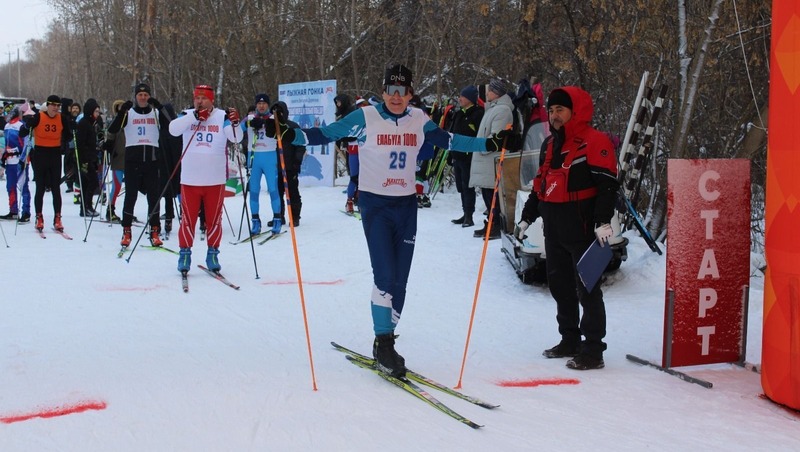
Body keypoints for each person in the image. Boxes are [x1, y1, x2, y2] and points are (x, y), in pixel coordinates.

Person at [264, 64, 509, 378]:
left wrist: (489, 144)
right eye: (391, 91)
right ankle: (384, 342)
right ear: (383, 92)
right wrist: (289, 132)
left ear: (409, 94)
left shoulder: (419, 119)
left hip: (405, 207)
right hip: (376, 205)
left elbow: (450, 141)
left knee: (400, 282)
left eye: (402, 91)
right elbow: (325, 133)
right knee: (385, 275)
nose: (396, 97)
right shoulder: (365, 117)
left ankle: (386, 340)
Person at [515, 86, 619, 371]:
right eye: (551, 110)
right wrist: (526, 218)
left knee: (588, 290)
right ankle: (569, 339)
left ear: (577, 111)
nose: (554, 115)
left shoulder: (594, 141)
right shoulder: (550, 145)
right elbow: (541, 185)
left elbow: (608, 186)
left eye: (560, 109)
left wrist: (602, 222)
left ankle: (593, 350)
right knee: (561, 288)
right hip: (555, 229)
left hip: (584, 230)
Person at [169, 84, 239, 273]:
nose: (200, 102)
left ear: (212, 100)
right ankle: (184, 254)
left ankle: (213, 253)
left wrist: (235, 123)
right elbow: (172, 130)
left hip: (214, 180)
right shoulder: (187, 114)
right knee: (188, 219)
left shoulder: (221, 116)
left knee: (214, 219)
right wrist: (194, 116)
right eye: (197, 98)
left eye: (204, 99)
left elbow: (236, 138)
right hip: (190, 179)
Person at [108, 82, 171, 247]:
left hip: (151, 161)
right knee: (130, 197)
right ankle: (127, 230)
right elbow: (113, 129)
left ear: (149, 96)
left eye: (145, 95)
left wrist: (161, 107)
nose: (143, 98)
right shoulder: (129, 113)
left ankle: (155, 230)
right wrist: (121, 112)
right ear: (135, 97)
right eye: (140, 95)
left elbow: (171, 126)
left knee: (154, 197)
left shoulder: (156, 113)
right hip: (132, 161)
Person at [21, 95, 72, 232]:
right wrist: (27, 125)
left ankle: (57, 217)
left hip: (54, 154)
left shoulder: (61, 118)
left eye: (58, 106)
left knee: (56, 187)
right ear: (48, 105)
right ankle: (39, 217)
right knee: (40, 187)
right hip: (40, 154)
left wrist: (71, 128)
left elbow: (68, 136)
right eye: (53, 105)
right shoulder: (39, 117)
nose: (56, 108)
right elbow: (22, 132)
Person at [470, 78, 513, 240]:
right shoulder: (493, 108)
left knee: (493, 196)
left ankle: (496, 225)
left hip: (491, 160)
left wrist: (481, 147)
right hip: (486, 161)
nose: (486, 93)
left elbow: (496, 137)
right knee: (488, 195)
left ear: (496, 93)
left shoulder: (502, 110)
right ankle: (491, 222)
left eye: (489, 90)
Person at [244, 93, 282, 235]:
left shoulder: (274, 118)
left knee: (273, 188)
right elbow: (236, 130)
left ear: (268, 105)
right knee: (253, 190)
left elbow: (283, 129)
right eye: (259, 104)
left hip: (269, 157)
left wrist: (266, 123)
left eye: (264, 103)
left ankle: (277, 219)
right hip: (253, 156)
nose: (261, 106)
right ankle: (255, 221)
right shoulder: (249, 118)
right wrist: (247, 123)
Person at [447, 85, 484, 227]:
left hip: (469, 157)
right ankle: (464, 213)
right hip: (457, 155)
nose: (459, 99)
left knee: (468, 186)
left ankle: (469, 215)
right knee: (461, 186)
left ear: (470, 99)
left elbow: (479, 135)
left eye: (462, 96)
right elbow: (453, 134)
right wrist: (451, 154)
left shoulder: (477, 113)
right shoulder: (459, 113)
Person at [271, 101, 306, 226]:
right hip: (276, 168)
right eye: (275, 112)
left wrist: (297, 161)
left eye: (279, 112)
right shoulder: (271, 128)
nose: (277, 115)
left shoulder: (292, 126)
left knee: (292, 192)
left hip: (290, 165)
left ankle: (295, 216)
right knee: (277, 193)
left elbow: (301, 145)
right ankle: (279, 216)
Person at [1, 106, 32, 222]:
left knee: (23, 187)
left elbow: (27, 143)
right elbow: (6, 142)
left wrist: (23, 159)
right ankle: (13, 211)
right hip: (9, 161)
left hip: (19, 160)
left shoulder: (21, 125)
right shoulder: (7, 126)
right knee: (10, 186)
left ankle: (26, 212)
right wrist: (3, 156)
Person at [74, 98, 103, 217]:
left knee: (88, 183)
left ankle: (86, 207)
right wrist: (86, 158)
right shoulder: (84, 124)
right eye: (96, 111)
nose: (97, 114)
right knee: (92, 182)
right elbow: (81, 144)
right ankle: (86, 206)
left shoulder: (91, 124)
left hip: (91, 158)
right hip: (85, 160)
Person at [103, 100, 127, 222]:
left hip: (130, 159)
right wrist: (110, 149)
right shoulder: (115, 123)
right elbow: (110, 137)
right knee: (116, 187)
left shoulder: (130, 122)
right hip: (118, 159)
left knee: (131, 188)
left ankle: (128, 211)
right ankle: (110, 210)